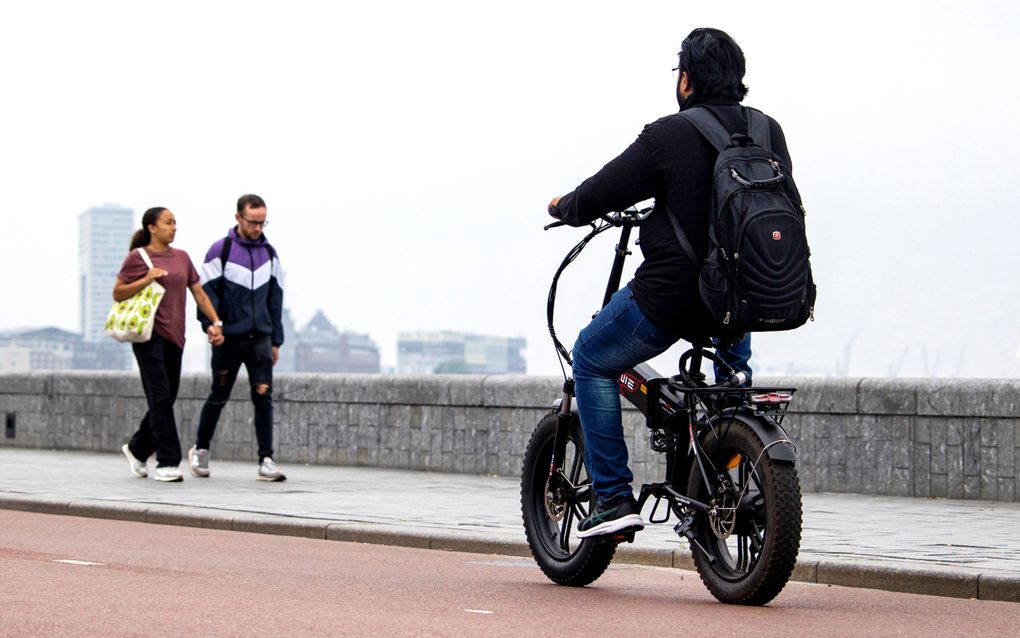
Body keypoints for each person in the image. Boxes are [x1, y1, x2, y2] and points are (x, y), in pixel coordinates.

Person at [547, 28, 791, 537]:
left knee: (590, 356)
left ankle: (613, 500)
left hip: (673, 296)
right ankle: (717, 478)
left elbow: (602, 190)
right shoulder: (769, 133)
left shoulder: (667, 135)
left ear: (687, 80)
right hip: (743, 297)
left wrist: (565, 207)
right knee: (726, 394)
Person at [116, 207, 224, 482]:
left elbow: (198, 292)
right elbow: (118, 292)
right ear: (152, 228)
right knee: (161, 397)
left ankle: (138, 449)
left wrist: (215, 322)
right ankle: (167, 462)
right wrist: (146, 278)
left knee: (167, 397)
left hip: (176, 338)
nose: (173, 227)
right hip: (149, 337)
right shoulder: (138, 258)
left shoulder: (182, 258)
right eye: (168, 223)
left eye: (175, 222)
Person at [188, 194, 286, 481]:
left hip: (261, 339)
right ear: (238, 218)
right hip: (228, 338)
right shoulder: (222, 250)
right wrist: (210, 325)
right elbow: (206, 293)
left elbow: (276, 299)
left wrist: (276, 340)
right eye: (252, 222)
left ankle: (266, 460)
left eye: (262, 222)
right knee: (218, 396)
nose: (257, 228)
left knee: (264, 398)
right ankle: (201, 450)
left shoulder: (270, 253)